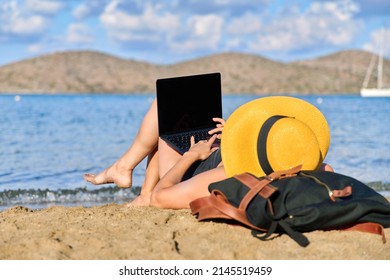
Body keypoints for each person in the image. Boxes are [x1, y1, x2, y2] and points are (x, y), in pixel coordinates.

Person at [84, 96, 334, 209]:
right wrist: (236, 135)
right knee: (177, 107)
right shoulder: (314, 168)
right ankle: (123, 168)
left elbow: (164, 197)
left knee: (166, 109)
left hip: (191, 168)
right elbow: (328, 173)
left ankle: (136, 185)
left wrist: (191, 155)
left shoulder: (227, 176)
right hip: (231, 154)